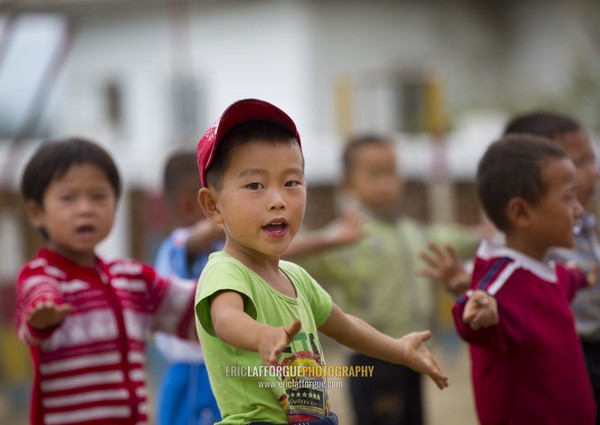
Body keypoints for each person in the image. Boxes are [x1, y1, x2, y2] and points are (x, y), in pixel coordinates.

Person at [193, 98, 449, 425]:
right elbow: (226, 318)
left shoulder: (296, 277)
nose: (278, 200)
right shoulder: (225, 271)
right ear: (213, 205)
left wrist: (399, 350)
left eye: (291, 182)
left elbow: (347, 327)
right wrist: (261, 335)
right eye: (255, 185)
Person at [421, 111, 600, 422]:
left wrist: (584, 276)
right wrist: (478, 310)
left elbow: (562, 281)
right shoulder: (505, 277)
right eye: (568, 198)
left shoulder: (540, 268)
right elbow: (476, 312)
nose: (579, 209)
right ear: (522, 213)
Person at [293, 134, 481, 425]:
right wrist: (330, 242)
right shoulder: (344, 237)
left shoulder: (412, 232)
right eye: (374, 174)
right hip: (370, 358)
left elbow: (455, 239)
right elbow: (286, 252)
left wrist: (488, 232)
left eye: (391, 172)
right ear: (348, 184)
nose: (386, 183)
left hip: (414, 350)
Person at [14, 137, 197, 425]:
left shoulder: (134, 280)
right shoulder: (42, 276)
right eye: (68, 198)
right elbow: (36, 305)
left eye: (98, 196)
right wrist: (43, 315)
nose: (85, 208)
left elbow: (192, 307)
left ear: (115, 204)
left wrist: (238, 293)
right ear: (37, 213)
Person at [152, 150, 224, 425]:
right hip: (195, 372)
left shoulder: (223, 247)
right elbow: (202, 235)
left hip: (220, 368)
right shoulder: (180, 245)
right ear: (190, 205)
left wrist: (330, 240)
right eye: (221, 200)